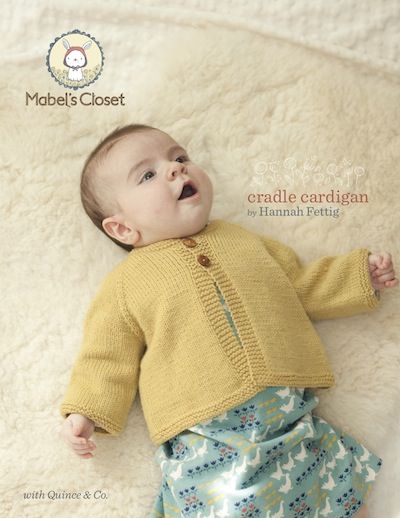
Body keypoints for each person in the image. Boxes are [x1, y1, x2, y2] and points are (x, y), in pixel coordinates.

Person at [59, 124, 398, 517]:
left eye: (179, 157)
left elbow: (299, 284)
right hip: (207, 442)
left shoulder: (242, 240)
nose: (176, 168)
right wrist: (85, 412)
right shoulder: (126, 284)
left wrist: (359, 276)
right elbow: (105, 355)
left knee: (336, 489)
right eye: (148, 175)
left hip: (288, 423)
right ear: (122, 227)